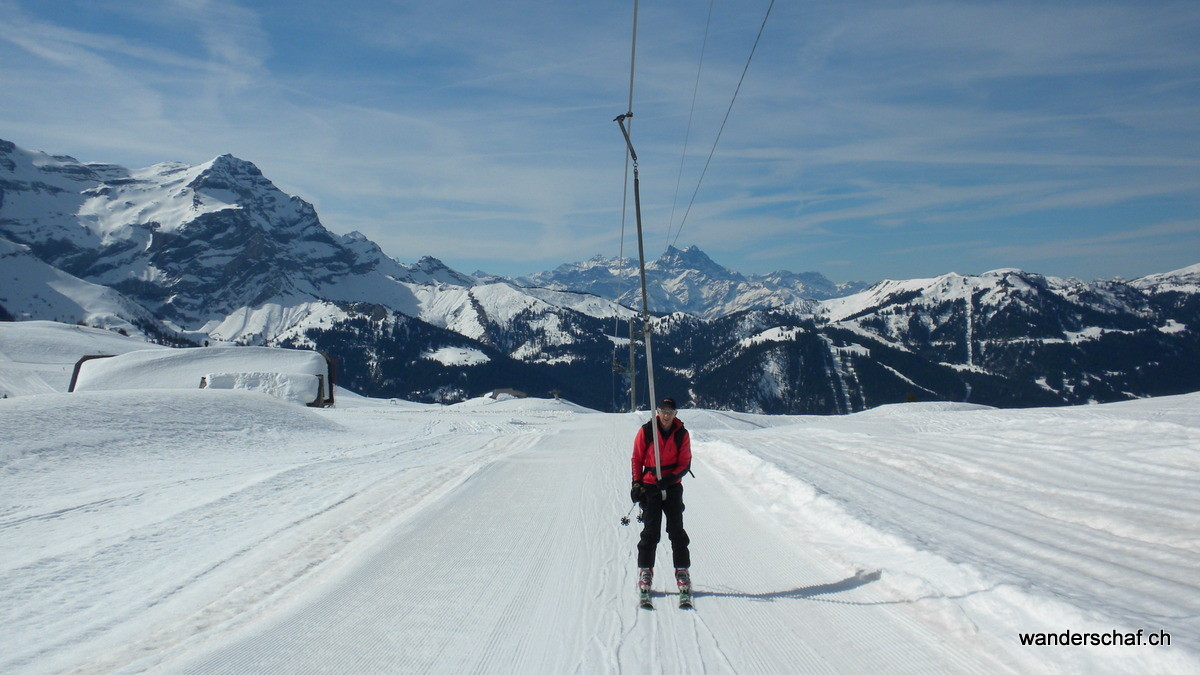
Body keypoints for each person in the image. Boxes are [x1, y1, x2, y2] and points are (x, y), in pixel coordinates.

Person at [630, 397, 691, 595]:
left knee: (676, 530)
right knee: (650, 531)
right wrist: (636, 483)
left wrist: (671, 478)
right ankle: (645, 571)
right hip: (650, 486)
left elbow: (685, 463)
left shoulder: (682, 434)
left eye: (670, 412)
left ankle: (682, 570)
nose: (666, 415)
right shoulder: (647, 431)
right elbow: (637, 458)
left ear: (675, 414)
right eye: (663, 411)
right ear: (658, 412)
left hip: (672, 487)